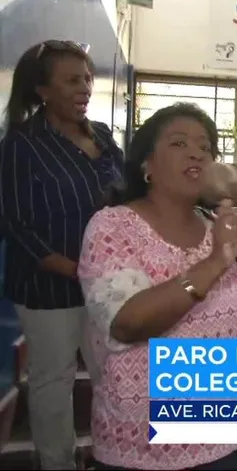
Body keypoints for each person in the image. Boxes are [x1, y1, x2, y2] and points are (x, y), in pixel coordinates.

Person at [77, 103, 237, 470]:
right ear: (147, 165)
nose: (197, 153)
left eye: (205, 147)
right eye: (178, 143)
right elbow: (127, 323)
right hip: (145, 447)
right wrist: (215, 262)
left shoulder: (216, 228)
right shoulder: (112, 227)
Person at [0, 40, 123, 470]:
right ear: (42, 90)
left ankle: (112, 452)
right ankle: (57, 462)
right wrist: (76, 270)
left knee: (114, 371)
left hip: (106, 285)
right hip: (49, 287)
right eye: (72, 80)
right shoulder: (22, 145)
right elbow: (16, 225)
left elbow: (127, 197)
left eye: (87, 78)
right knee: (53, 379)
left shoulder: (102, 136)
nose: (85, 88)